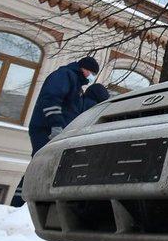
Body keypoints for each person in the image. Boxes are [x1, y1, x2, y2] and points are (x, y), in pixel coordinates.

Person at [10, 56, 101, 207]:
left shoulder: (75, 83)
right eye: (91, 72)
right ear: (84, 69)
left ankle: (29, 202)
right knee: (41, 165)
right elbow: (51, 98)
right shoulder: (65, 75)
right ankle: (21, 204)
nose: (91, 77)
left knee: (48, 167)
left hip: (56, 131)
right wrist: (56, 125)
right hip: (47, 129)